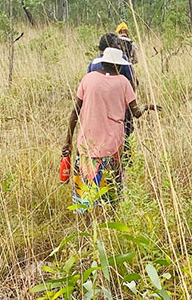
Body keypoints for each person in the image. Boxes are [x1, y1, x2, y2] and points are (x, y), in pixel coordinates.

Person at [63, 47, 151, 211]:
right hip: (113, 144)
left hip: (87, 143)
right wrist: (147, 106)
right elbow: (136, 112)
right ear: (118, 66)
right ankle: (111, 217)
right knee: (113, 188)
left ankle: (86, 218)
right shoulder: (124, 82)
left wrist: (67, 141)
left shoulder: (88, 79)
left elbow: (75, 112)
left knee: (86, 188)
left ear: (102, 62)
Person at [87, 33, 136, 165]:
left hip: (96, 112)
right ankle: (122, 162)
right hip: (118, 110)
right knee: (122, 137)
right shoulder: (123, 61)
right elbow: (132, 85)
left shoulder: (93, 63)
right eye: (117, 44)